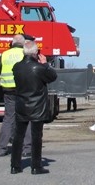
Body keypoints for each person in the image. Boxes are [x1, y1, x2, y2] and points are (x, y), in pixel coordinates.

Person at [10, 40, 58, 175]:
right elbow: (53, 76)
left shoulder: (16, 67)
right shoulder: (39, 68)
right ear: (36, 52)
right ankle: (36, 166)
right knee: (36, 136)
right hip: (37, 105)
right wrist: (46, 65)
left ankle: (15, 165)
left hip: (21, 104)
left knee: (18, 135)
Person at [0, 34, 33, 157]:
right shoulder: (25, 54)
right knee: (27, 117)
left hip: (8, 89)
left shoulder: (4, 54)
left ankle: (2, 147)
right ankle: (27, 147)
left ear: (12, 43)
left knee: (8, 118)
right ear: (23, 44)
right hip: (23, 90)